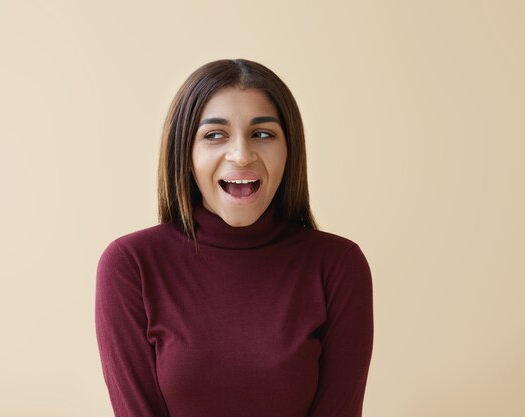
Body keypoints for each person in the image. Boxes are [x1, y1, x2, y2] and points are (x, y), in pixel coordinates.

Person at [95, 59, 374, 417]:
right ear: (185, 155)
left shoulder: (337, 266)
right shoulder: (130, 265)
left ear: (290, 152)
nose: (242, 154)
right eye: (214, 135)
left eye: (262, 134)